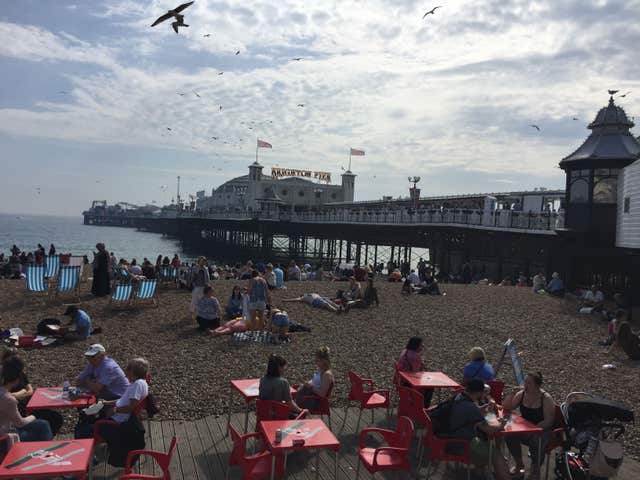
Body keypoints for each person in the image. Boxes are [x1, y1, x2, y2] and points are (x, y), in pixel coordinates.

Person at [446, 378, 511, 480]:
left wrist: (479, 410)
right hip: (462, 444)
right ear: (479, 392)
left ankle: (479, 472)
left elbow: (469, 414)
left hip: (447, 439)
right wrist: (501, 424)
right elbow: (489, 430)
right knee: (496, 454)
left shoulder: (458, 397)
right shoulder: (471, 407)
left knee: (484, 444)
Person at [93, 358, 148, 467]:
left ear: (132, 371)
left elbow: (130, 407)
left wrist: (115, 410)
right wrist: (107, 402)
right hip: (119, 417)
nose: (125, 370)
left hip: (118, 422)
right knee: (95, 414)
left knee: (86, 429)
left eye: (128, 368)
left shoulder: (137, 385)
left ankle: (94, 458)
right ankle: (100, 454)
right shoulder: (139, 383)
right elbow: (123, 400)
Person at [502, 372, 555, 478]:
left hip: (542, 429)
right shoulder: (521, 394)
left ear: (537, 385)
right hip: (526, 428)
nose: (525, 385)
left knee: (536, 440)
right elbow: (507, 407)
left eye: (529, 383)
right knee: (509, 435)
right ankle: (519, 464)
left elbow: (549, 420)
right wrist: (512, 394)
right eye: (525, 382)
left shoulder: (545, 398)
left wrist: (535, 428)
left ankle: (535, 468)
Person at [1, 349, 63, 435]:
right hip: (6, 435)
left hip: (24, 408)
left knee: (54, 417)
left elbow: (30, 390)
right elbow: (20, 423)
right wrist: (34, 416)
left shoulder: (15, 376)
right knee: (43, 425)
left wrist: (21, 393)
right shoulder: (8, 398)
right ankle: (43, 445)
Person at [397, 337, 433, 407]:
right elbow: (417, 373)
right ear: (416, 345)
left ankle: (418, 403)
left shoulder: (405, 351)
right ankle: (424, 407)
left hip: (401, 380)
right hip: (408, 382)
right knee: (430, 387)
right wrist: (422, 364)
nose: (422, 346)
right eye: (421, 345)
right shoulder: (415, 356)